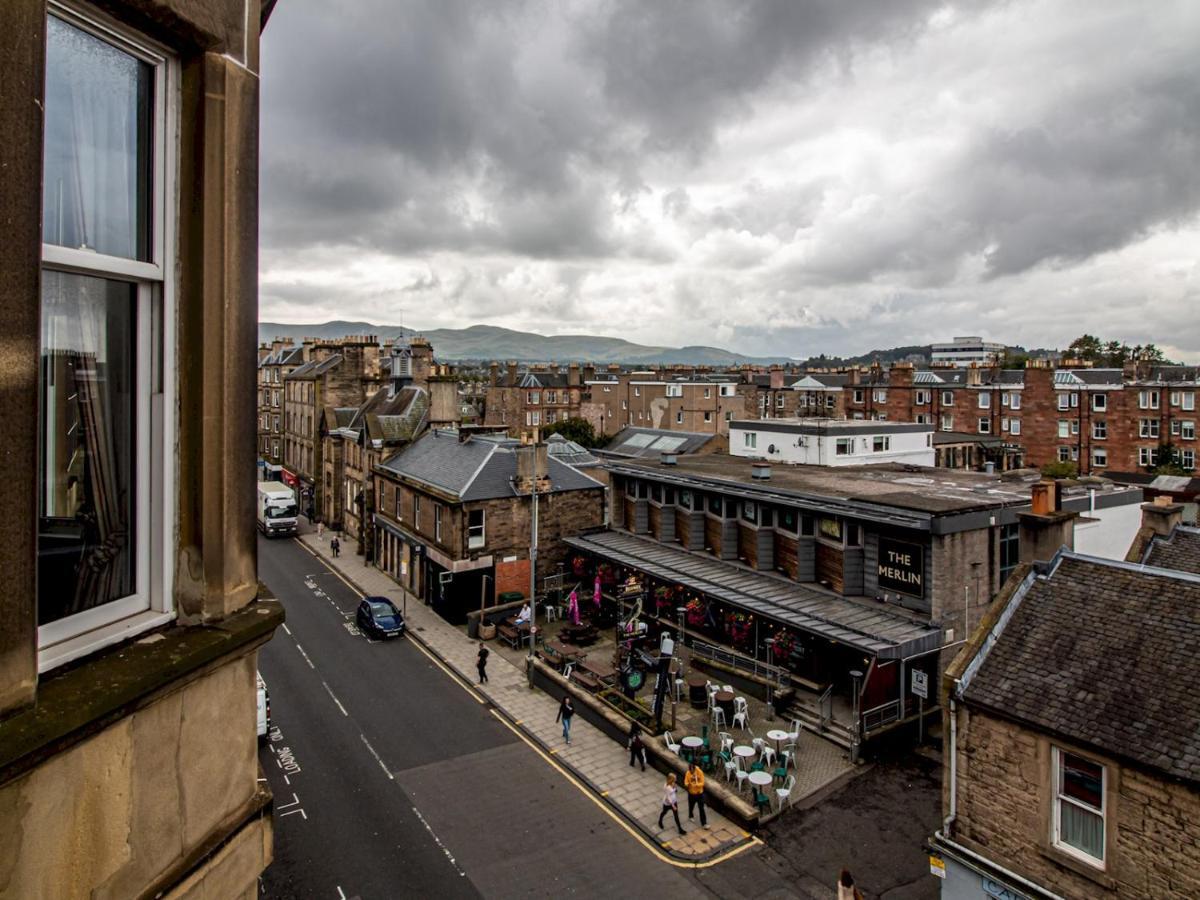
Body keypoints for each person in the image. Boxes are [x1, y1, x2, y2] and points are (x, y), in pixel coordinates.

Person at [684, 760, 707, 827]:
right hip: (691, 793)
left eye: (692, 771)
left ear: (694, 768)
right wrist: (686, 784)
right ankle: (691, 815)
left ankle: (704, 823)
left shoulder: (700, 772)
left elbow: (702, 783)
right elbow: (686, 781)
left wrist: (697, 785)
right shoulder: (688, 773)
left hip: (699, 793)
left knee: (701, 808)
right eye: (690, 771)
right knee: (691, 806)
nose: (691, 772)